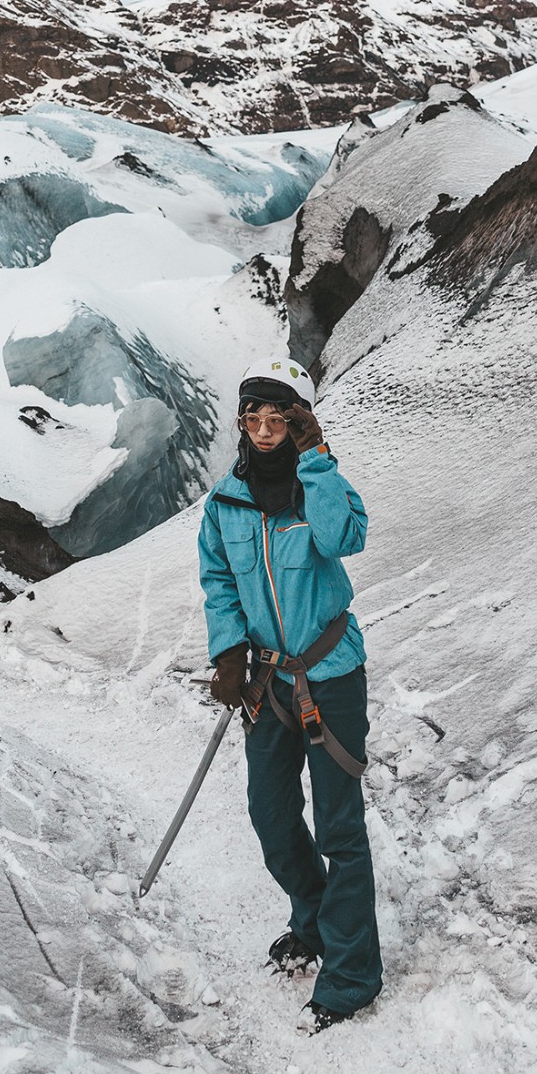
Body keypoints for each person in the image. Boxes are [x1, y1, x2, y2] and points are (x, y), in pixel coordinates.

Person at [198, 356, 382, 1034]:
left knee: (338, 827)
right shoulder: (226, 501)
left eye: (280, 418)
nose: (266, 430)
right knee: (271, 816)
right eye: (255, 418)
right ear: (242, 423)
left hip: (329, 673)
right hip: (266, 680)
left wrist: (317, 458)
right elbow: (219, 579)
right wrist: (227, 652)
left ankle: (353, 975)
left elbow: (344, 538)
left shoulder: (319, 487)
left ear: (298, 422)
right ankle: (313, 923)